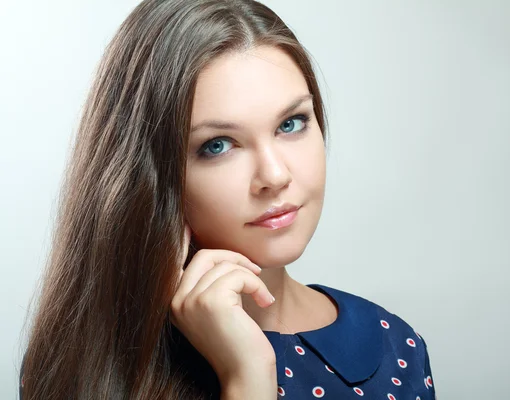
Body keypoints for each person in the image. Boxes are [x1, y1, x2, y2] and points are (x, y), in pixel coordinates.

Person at [19, 0, 437, 398]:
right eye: (218, 145)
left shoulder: (393, 348)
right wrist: (247, 377)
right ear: (151, 178)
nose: (274, 176)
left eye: (291, 123)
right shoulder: (91, 367)